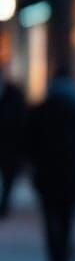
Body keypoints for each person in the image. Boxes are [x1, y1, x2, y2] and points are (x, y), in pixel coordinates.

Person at [23, 66, 75, 261]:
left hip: (46, 172)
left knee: (50, 216)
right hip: (70, 171)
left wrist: (35, 161)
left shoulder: (42, 109)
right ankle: (63, 256)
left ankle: (55, 256)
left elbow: (27, 141)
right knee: (66, 216)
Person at [0, 69, 27, 217]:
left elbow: (21, 122)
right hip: (9, 145)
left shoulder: (14, 96)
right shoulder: (14, 96)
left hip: (10, 146)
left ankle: (4, 206)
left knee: (8, 177)